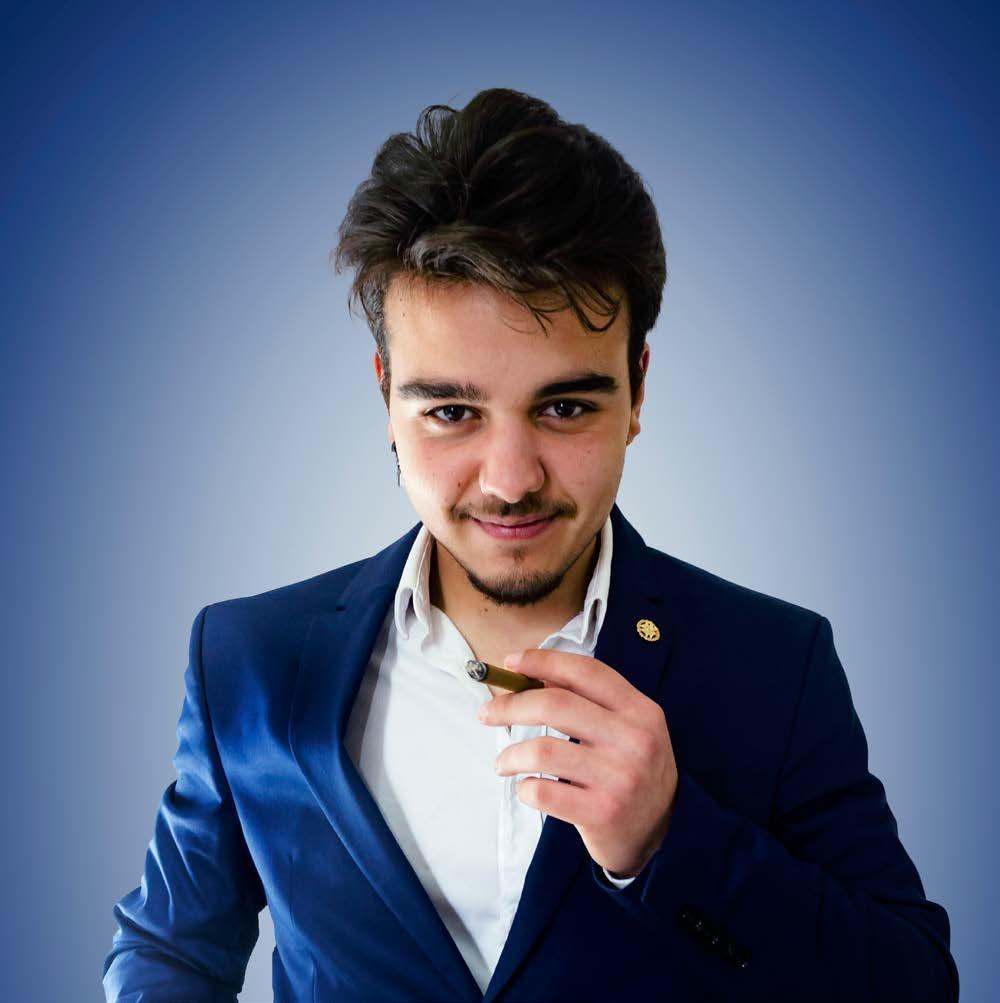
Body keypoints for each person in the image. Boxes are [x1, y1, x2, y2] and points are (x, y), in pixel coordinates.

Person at [103, 88, 959, 1002]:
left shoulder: (777, 666)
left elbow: (913, 983)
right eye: (451, 411)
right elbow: (169, 951)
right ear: (386, 394)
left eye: (565, 407)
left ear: (638, 389)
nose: (511, 479)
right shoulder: (246, 658)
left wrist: (674, 840)